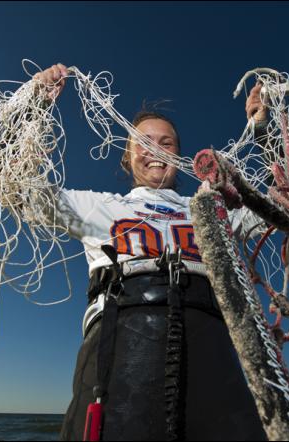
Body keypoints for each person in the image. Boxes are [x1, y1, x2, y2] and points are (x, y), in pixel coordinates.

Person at [33, 64, 269, 441]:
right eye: (144, 142)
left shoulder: (211, 209)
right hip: (117, 351)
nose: (155, 151)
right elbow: (13, 188)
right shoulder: (98, 206)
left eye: (167, 143)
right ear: (127, 157)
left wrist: (264, 130)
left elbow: (287, 205)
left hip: (213, 354)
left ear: (180, 155)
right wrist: (35, 105)